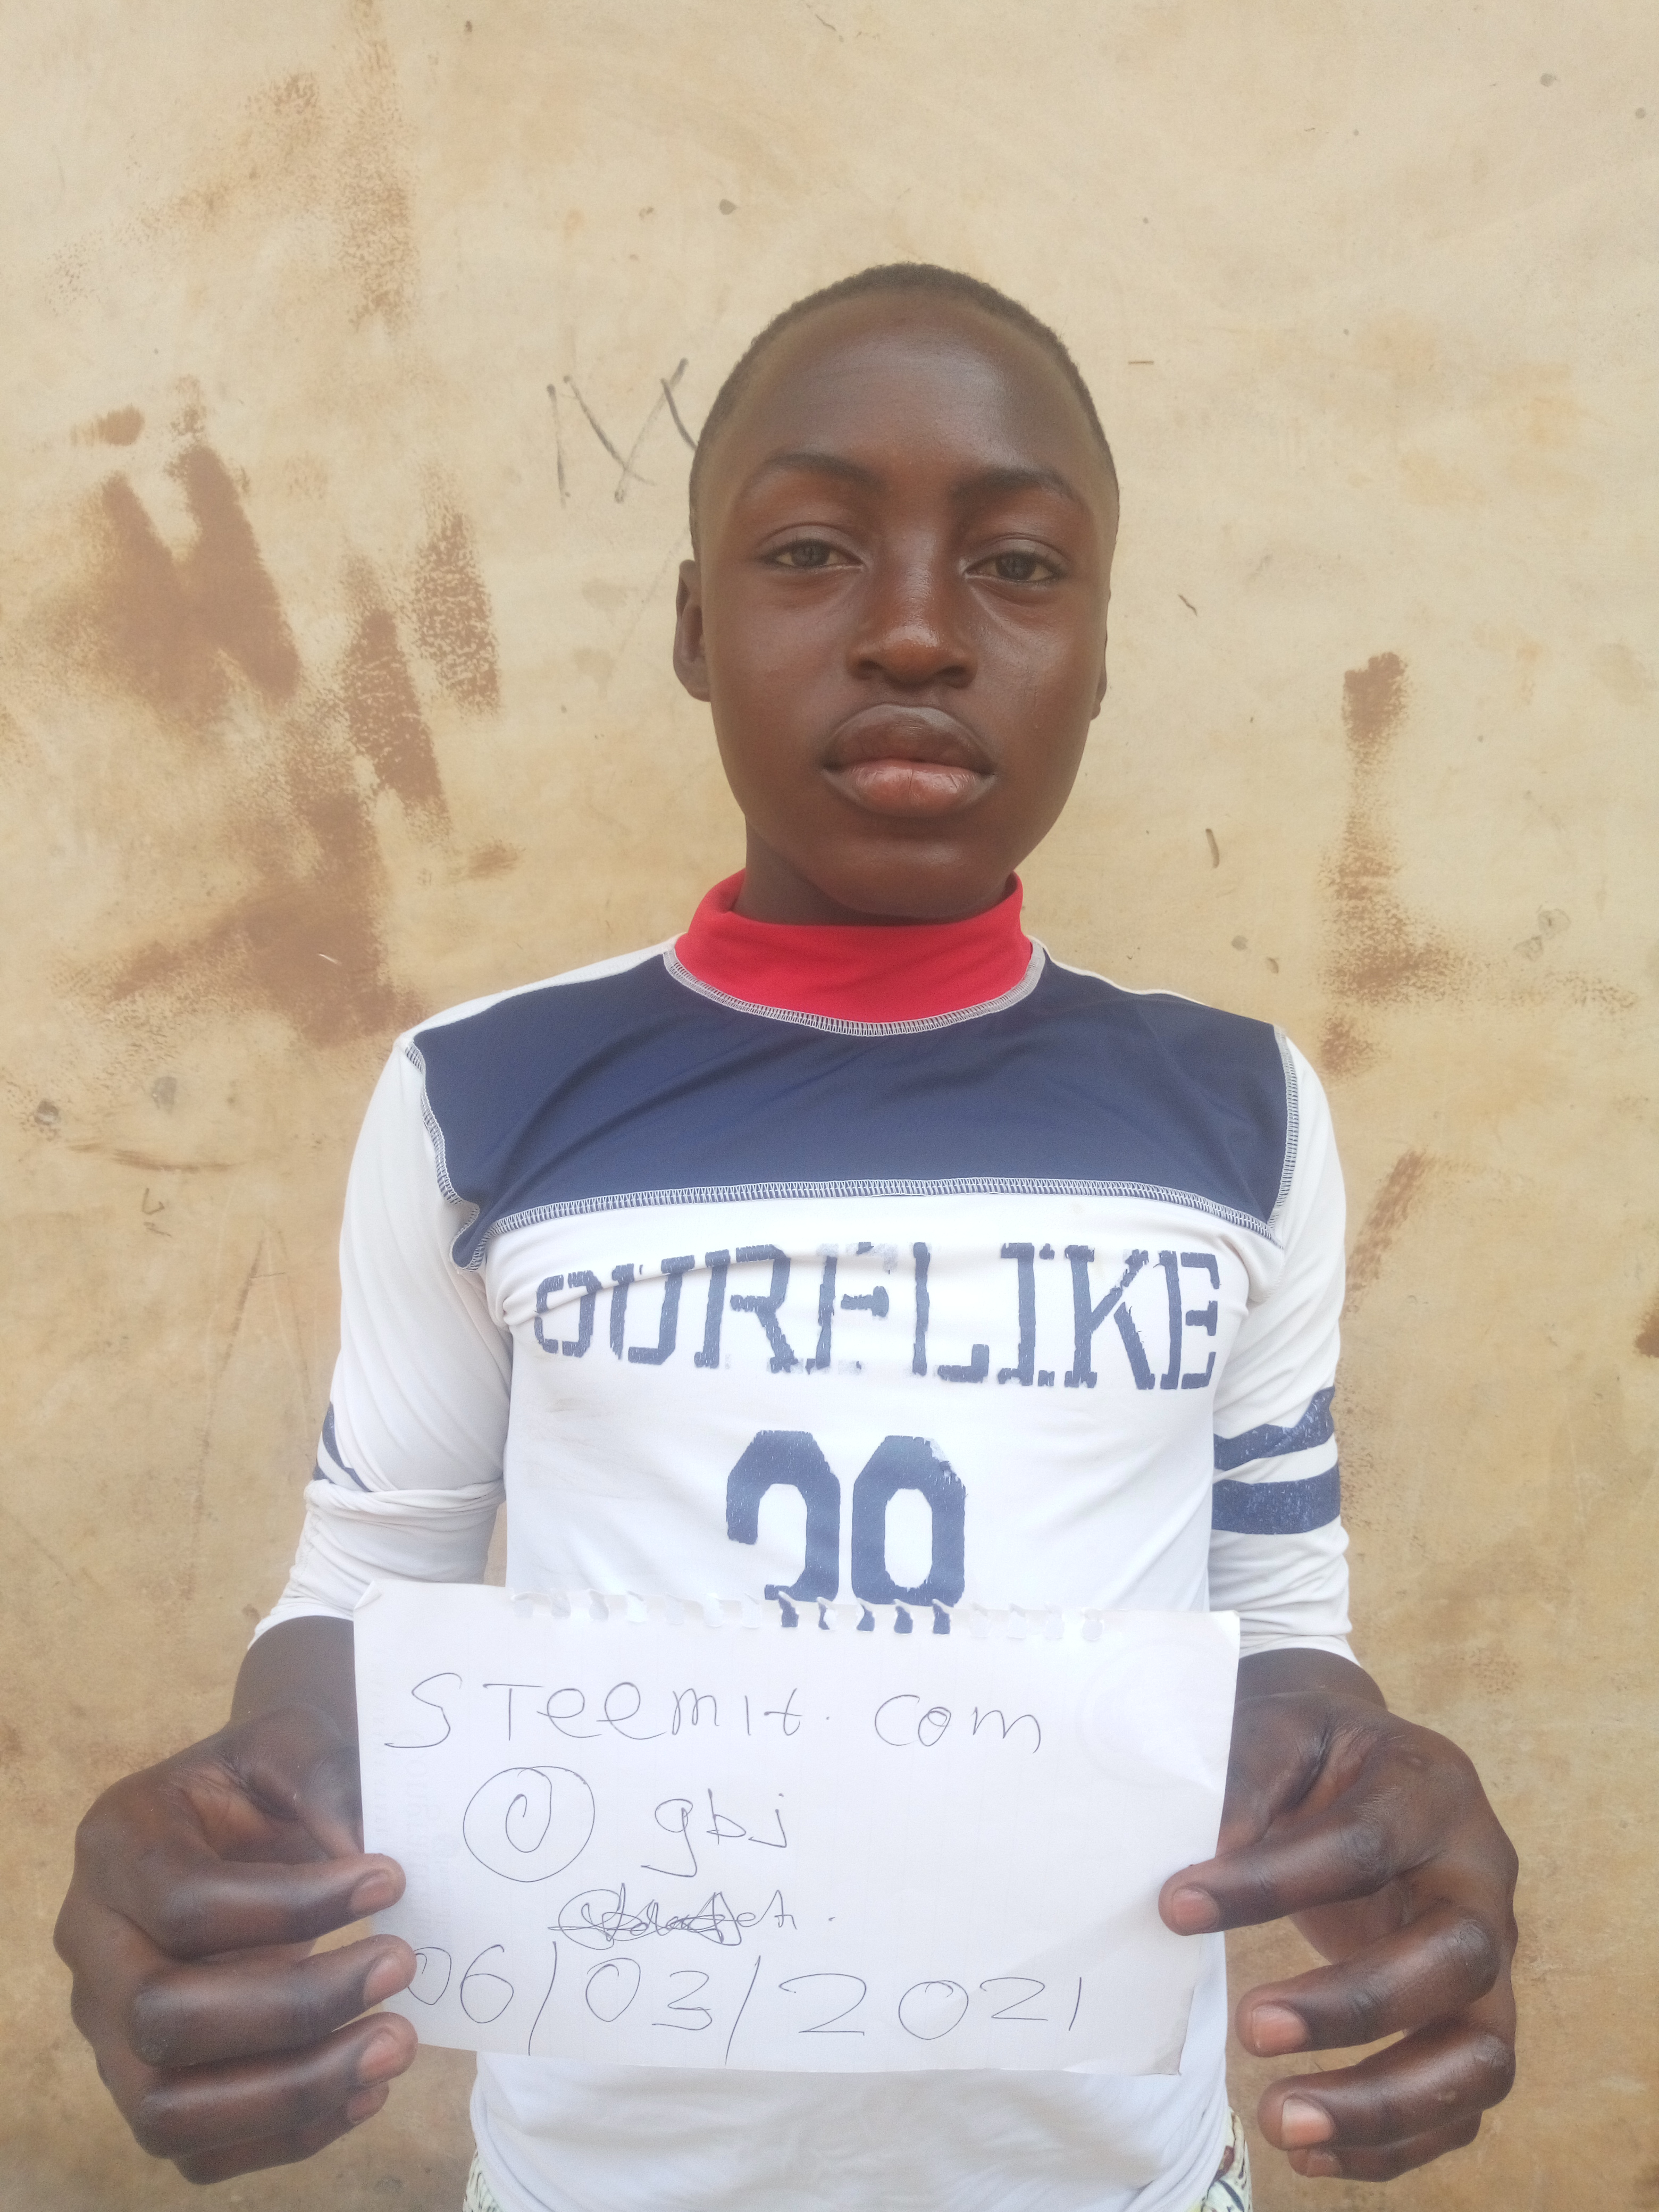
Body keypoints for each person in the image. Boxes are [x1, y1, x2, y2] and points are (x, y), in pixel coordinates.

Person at [55, 264, 1518, 2210]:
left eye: (1018, 567)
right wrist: (240, 1817)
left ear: (1099, 651)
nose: (914, 630)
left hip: (1116, 2178)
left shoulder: (1236, 1113)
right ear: (695, 626)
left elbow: (1271, 1609)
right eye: (813, 550)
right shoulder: (485, 1094)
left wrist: (1368, 1781)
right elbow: (375, 1571)